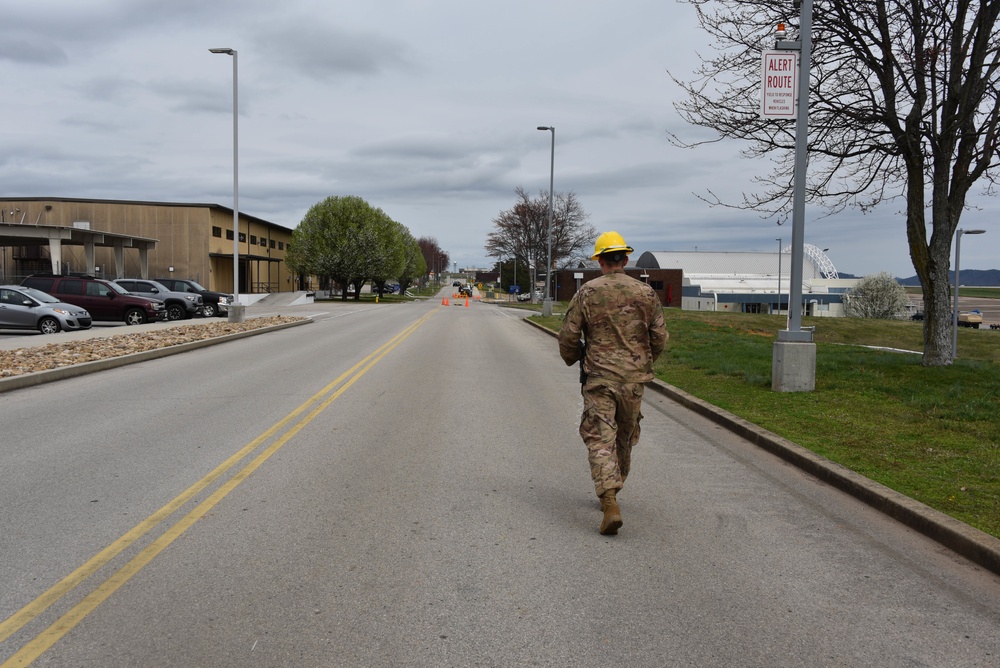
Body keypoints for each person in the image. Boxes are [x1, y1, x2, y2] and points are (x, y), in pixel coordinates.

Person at [558, 231, 668, 535]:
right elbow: (659, 336)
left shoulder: (587, 293)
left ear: (600, 261)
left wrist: (572, 357)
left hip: (600, 378)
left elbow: (569, 335)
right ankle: (614, 489)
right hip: (633, 380)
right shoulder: (646, 293)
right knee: (624, 437)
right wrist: (642, 361)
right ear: (626, 259)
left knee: (599, 437)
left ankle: (609, 500)